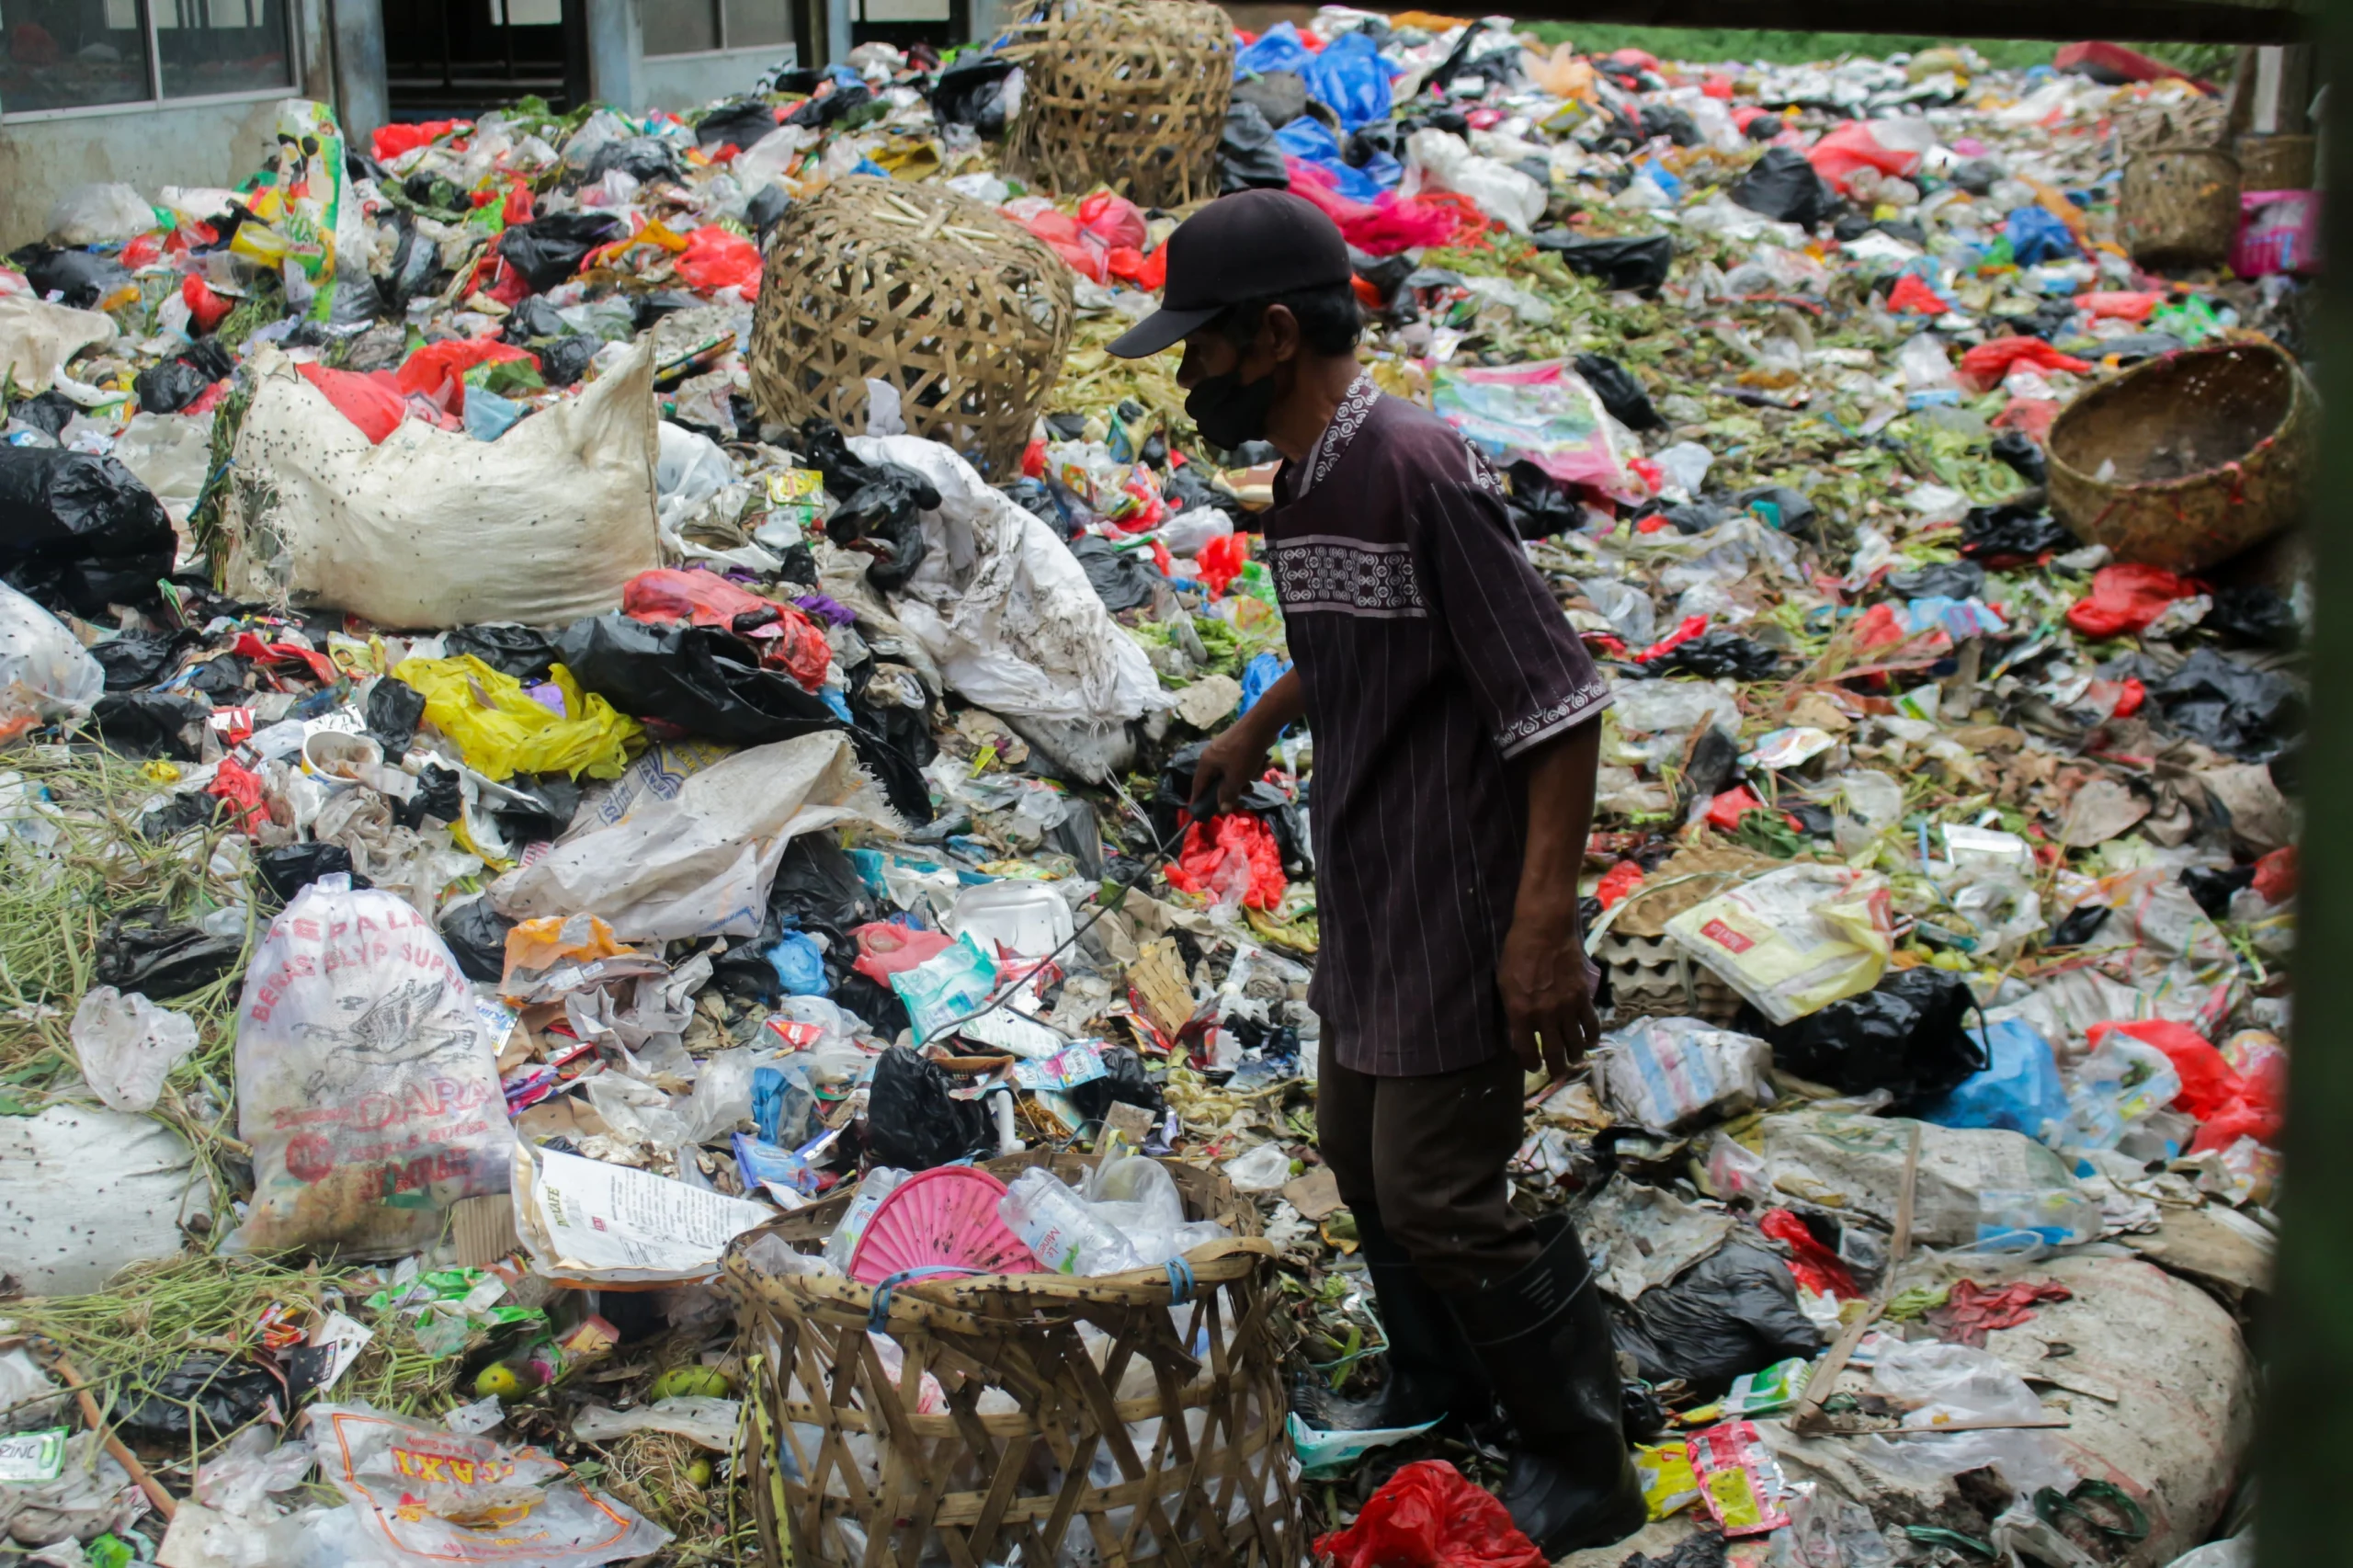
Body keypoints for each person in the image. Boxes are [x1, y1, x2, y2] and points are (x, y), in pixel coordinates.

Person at [1108, 189, 1639, 1554]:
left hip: (1460, 889)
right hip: (1370, 874)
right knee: (1354, 1149)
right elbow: (1353, 634)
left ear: (1275, 335)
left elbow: (1559, 703)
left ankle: (1583, 1454)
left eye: (1204, 347)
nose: (1188, 376)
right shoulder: (1306, 479)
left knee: (1441, 1190)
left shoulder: (1415, 466)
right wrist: (1256, 724)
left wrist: (1543, 934)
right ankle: (1437, 1377)